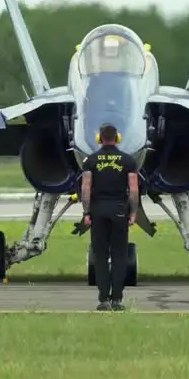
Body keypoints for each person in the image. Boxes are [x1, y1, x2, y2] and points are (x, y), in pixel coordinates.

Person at [79, 123, 139, 310]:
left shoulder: (91, 160)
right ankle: (117, 300)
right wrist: (133, 212)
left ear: (99, 138)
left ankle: (103, 299)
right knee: (119, 254)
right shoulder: (128, 160)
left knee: (101, 255)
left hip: (98, 210)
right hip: (119, 209)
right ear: (118, 138)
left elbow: (86, 189)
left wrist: (86, 212)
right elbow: (134, 190)